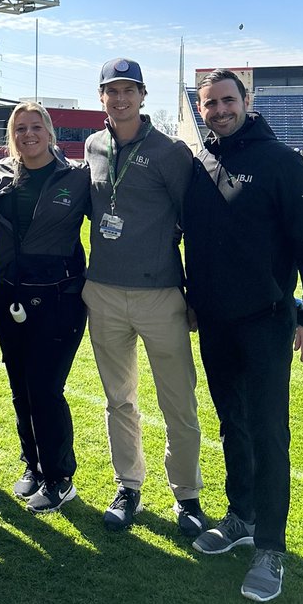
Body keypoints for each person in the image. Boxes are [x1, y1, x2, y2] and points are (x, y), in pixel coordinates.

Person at [184, 69, 303, 603]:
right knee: (232, 424)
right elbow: (198, 242)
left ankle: (270, 544)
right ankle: (241, 516)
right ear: (201, 109)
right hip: (216, 322)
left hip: (267, 319)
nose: (220, 110)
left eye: (228, 100)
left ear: (246, 102)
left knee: (269, 432)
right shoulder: (201, 163)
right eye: (210, 104)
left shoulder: (281, 162)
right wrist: (195, 300)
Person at [82, 59, 203, 537]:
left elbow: (193, 223)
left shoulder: (171, 152)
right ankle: (128, 485)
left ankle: (187, 495)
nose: (120, 99)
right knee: (119, 400)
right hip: (105, 292)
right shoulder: (94, 145)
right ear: (102, 97)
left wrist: (194, 293)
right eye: (111, 91)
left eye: (128, 90)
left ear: (143, 95)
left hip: (160, 295)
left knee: (179, 401)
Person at [0, 101, 90, 514]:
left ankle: (59, 477)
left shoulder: (78, 178)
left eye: (35, 127)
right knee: (20, 388)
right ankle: (32, 464)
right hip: (8, 293)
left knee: (46, 389)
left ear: (50, 131)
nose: (28, 134)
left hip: (58, 298)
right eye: (20, 128)